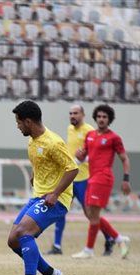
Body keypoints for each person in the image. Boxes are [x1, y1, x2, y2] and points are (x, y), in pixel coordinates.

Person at [8, 100, 78, 275]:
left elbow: (72, 169)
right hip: (38, 196)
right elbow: (43, 162)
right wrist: (34, 175)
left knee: (23, 232)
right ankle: (50, 273)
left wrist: (55, 193)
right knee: (13, 241)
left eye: (19, 122)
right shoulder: (32, 141)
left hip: (55, 200)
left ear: (28, 122)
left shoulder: (53, 142)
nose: (17, 125)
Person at [46, 104, 115, 256]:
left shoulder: (90, 131)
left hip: (84, 178)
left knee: (90, 214)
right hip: (69, 178)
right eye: (70, 113)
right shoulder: (70, 129)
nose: (72, 116)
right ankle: (57, 246)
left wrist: (80, 160)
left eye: (76, 113)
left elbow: (93, 155)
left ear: (83, 115)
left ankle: (110, 237)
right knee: (60, 210)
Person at [72, 104, 131, 259]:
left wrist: (126, 179)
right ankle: (119, 239)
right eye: (99, 116)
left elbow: (124, 159)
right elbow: (84, 157)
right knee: (90, 214)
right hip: (91, 178)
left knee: (93, 214)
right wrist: (79, 156)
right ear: (95, 118)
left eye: (105, 117)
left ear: (109, 119)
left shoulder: (114, 138)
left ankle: (89, 250)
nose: (101, 119)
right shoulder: (90, 135)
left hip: (103, 178)